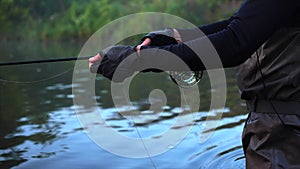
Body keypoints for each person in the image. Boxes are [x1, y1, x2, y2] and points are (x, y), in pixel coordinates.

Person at [89, 0, 300, 168]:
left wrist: (139, 60)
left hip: (285, 135)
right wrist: (176, 38)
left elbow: (236, 41)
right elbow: (245, 24)